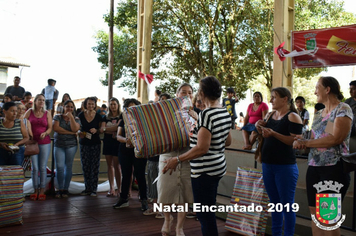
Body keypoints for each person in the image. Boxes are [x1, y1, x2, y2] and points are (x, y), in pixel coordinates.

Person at [163, 77, 232, 236]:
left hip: (204, 171)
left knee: (205, 216)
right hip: (218, 167)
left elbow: (201, 148)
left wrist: (177, 159)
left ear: (201, 93)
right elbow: (227, 141)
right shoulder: (223, 111)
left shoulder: (206, 114)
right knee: (209, 210)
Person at [293, 76, 352, 236]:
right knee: (315, 213)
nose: (314, 92)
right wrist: (301, 139)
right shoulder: (319, 113)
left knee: (328, 217)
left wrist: (306, 143)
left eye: (317, 87)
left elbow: (335, 138)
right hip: (314, 167)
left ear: (327, 89)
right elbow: (317, 136)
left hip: (333, 168)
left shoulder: (343, 109)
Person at [255, 87, 303, 236]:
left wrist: (274, 133)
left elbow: (295, 141)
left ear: (285, 99)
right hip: (268, 164)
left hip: (285, 167)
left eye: (274, 97)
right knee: (274, 203)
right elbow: (264, 134)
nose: (270, 100)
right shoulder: (270, 115)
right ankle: (276, 233)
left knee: (287, 205)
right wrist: (258, 127)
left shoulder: (293, 116)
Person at [156, 83, 195, 236]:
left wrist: (196, 118)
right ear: (177, 94)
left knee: (184, 194)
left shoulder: (196, 113)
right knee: (164, 191)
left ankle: (179, 227)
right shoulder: (167, 112)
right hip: (167, 154)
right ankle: (167, 219)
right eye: (183, 92)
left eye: (190, 92)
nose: (187, 95)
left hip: (186, 156)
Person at [113, 98, 148, 211]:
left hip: (139, 151)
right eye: (129, 107)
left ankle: (144, 200)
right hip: (124, 151)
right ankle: (123, 199)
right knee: (126, 175)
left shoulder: (143, 120)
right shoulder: (123, 119)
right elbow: (118, 136)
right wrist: (125, 140)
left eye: (134, 107)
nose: (131, 109)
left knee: (140, 175)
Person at [24, 94, 52, 201]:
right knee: (34, 168)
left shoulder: (47, 113)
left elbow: (50, 128)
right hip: (32, 143)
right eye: (39, 100)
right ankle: (35, 189)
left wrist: (45, 133)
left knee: (42, 167)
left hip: (44, 142)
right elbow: (23, 122)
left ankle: (42, 190)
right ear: (35, 101)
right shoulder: (29, 112)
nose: (41, 102)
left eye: (43, 100)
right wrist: (28, 133)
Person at [53, 100, 80, 198]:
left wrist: (71, 118)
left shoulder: (76, 118)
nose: (70, 108)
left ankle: (65, 189)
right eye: (68, 106)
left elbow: (75, 129)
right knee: (59, 167)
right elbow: (56, 129)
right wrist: (70, 133)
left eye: (72, 107)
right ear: (63, 107)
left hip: (71, 145)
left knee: (68, 167)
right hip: (59, 145)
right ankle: (59, 188)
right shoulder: (57, 117)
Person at [78, 97, 102, 197]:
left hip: (95, 143)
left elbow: (101, 128)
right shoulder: (80, 115)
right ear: (85, 104)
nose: (91, 106)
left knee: (95, 166)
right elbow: (77, 127)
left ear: (95, 105)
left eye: (92, 104)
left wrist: (96, 130)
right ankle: (87, 188)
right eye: (89, 104)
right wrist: (79, 132)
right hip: (84, 143)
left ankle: (94, 189)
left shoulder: (99, 116)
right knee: (85, 166)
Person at [100, 97, 121, 197]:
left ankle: (119, 188)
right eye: (111, 104)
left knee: (117, 166)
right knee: (110, 165)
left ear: (118, 105)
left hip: (117, 142)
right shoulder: (105, 117)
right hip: (107, 142)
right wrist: (107, 129)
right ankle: (111, 188)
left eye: (114, 104)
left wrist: (107, 129)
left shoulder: (121, 116)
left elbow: (118, 128)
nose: (113, 106)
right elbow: (101, 129)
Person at [345, 80, 356, 153]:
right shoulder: (347, 102)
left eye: (353, 89)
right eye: (350, 89)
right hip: (350, 133)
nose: (351, 91)